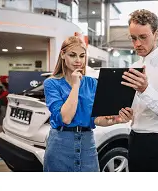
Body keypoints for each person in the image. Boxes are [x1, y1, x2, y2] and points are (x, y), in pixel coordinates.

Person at [43, 35, 133, 172]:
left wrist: (117, 119)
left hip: (87, 144)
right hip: (60, 144)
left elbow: (95, 119)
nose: (78, 60)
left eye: (82, 56)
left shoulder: (92, 83)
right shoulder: (51, 83)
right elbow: (66, 118)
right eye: (72, 55)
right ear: (63, 54)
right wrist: (75, 86)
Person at [121, 9, 158, 172]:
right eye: (133, 38)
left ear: (155, 34)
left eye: (143, 37)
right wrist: (126, 114)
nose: (137, 44)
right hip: (134, 140)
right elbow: (133, 109)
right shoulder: (133, 67)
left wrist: (145, 89)